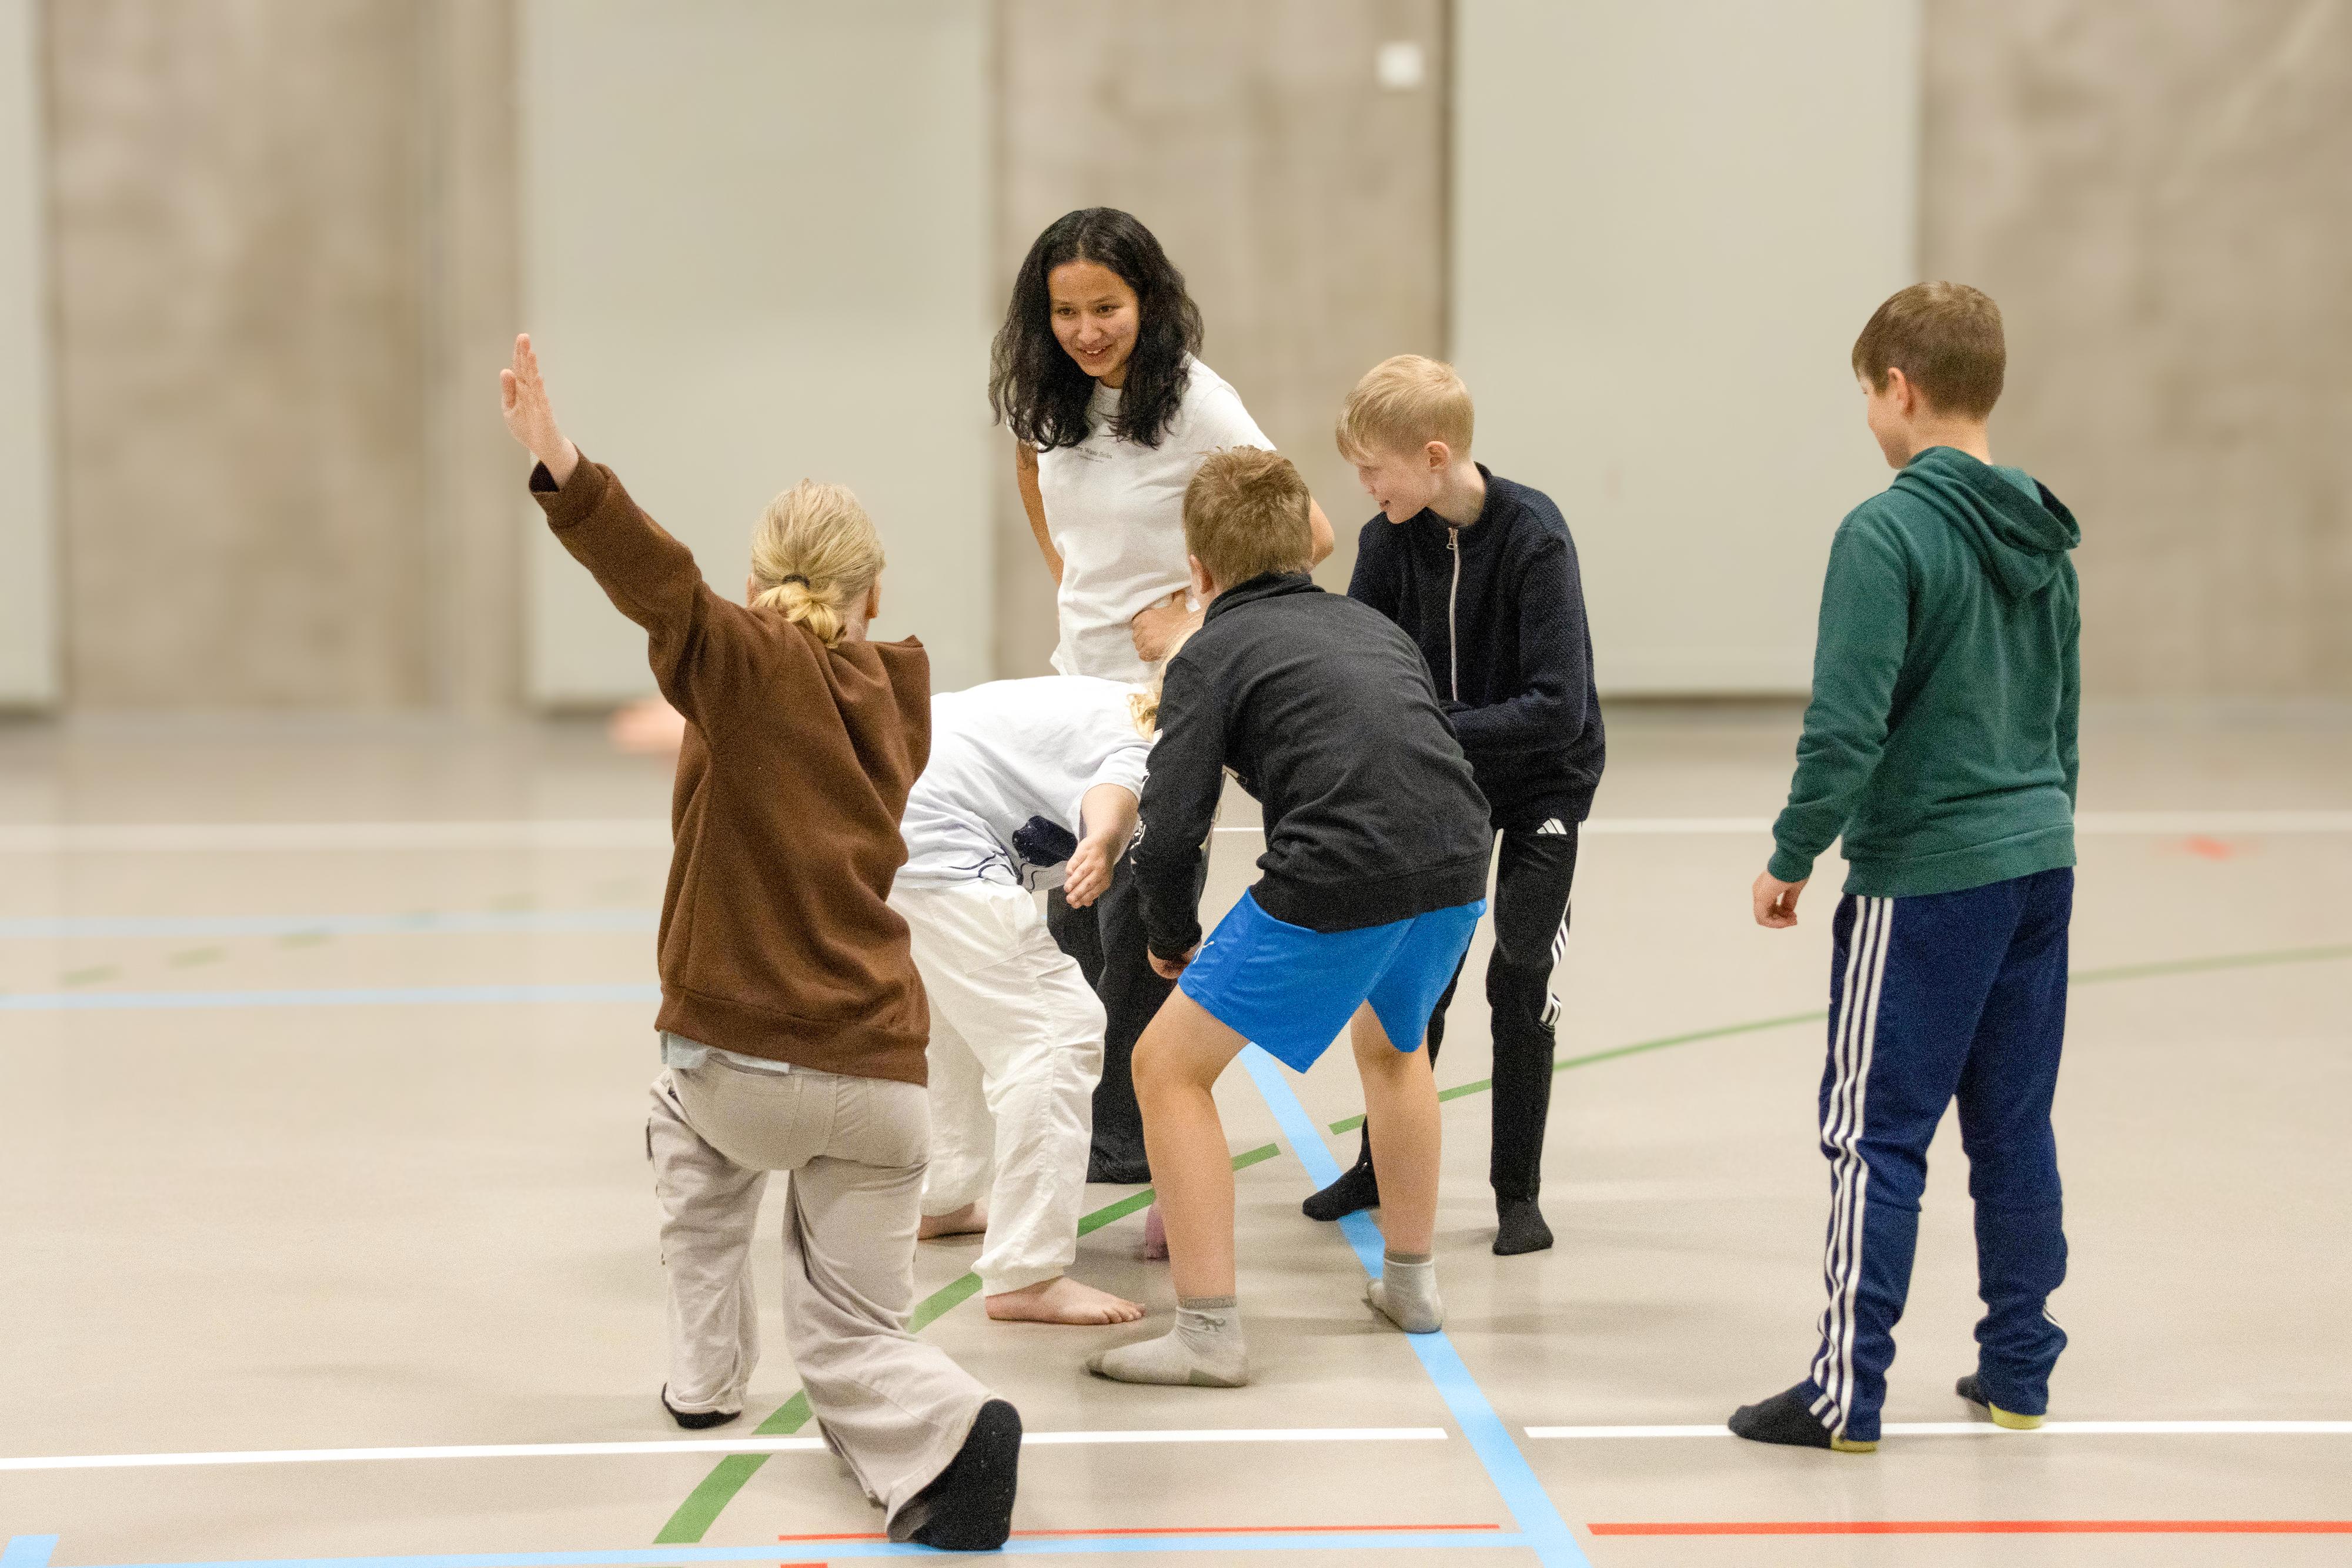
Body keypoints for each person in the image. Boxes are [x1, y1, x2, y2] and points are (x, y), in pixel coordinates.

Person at [499, 335, 1018, 1549]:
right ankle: (942, 1430)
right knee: (853, 1334)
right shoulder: (900, 692)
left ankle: (704, 1376)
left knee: (683, 1127)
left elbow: (659, 582)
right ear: (873, 593)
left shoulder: (739, 666)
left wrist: (560, 461)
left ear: (756, 582)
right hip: (887, 1080)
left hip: (740, 1066)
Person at [1728, 283, 2082, 1454]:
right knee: (2012, 1124)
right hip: (2037, 862)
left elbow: (1845, 725)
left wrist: (1791, 852)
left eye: (1865, 396)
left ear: (1899, 388)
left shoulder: (1882, 530)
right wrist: (2036, 828)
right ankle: (2018, 1367)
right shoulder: (2041, 525)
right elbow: (2059, 721)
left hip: (1923, 877)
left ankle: (1844, 1390)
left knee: (1873, 1130)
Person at [1085, 448, 1493, 1389]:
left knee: (1166, 1064)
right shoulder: (1368, 623)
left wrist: (1168, 934)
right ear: (1301, 548)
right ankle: (1412, 1283)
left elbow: (1173, 824)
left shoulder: (1210, 653)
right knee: (1396, 1048)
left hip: (1342, 868)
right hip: (1459, 857)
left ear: (1199, 570)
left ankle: (1207, 1331)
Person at [991, 206, 1336, 1184]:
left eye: (1107, 306)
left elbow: (1305, 530)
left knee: (1132, 916)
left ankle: (1132, 1138)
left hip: (1160, 703)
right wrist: (1073, 575)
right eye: (1067, 311)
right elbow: (1034, 469)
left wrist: (1189, 611)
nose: (1088, 329)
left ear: (1146, 300)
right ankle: (1097, 1117)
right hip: (1075, 691)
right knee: (1063, 915)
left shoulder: (1196, 404)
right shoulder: (1050, 399)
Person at [1303, 355, 1605, 1257]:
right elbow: (1365, 666)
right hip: (1448, 785)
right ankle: (1378, 1166)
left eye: (1374, 469)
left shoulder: (1535, 536)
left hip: (1545, 781)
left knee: (1518, 970)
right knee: (1412, 981)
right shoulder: (1387, 542)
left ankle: (1518, 1192)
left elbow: (1560, 703)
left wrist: (1435, 726)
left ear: (1434, 457)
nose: (1363, 487)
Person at [895, 674, 1157, 1326]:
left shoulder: (1126, 701)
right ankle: (1026, 1273)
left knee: (964, 1023)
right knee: (1057, 1032)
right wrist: (1101, 840)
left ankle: (944, 1198)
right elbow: (1118, 789)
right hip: (936, 839)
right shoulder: (1159, 731)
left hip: (890, 816)